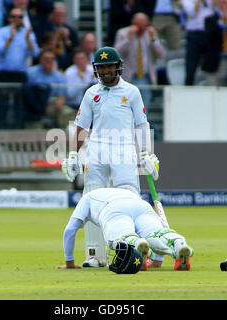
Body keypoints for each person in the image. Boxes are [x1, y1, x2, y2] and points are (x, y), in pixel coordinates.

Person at [61, 46, 160, 267]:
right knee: (93, 200)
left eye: (109, 66)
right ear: (96, 70)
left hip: (124, 149)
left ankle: (134, 251)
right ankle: (95, 255)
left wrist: (146, 153)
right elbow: (81, 126)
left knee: (128, 197)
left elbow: (141, 124)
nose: (105, 71)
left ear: (118, 67)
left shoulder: (132, 91)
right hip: (97, 149)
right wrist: (73, 154)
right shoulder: (91, 93)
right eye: (101, 67)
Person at [58, 188, 194, 271]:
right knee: (157, 234)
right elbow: (161, 228)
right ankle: (178, 244)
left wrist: (69, 262)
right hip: (141, 205)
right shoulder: (126, 192)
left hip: (113, 208)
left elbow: (70, 230)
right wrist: (157, 262)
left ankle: (136, 245)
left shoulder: (86, 198)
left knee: (121, 237)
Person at [0, 7, 40, 129]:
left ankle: (19, 129)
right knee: (2, 103)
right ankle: (0, 129)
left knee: (19, 104)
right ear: (9, 18)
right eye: (14, 16)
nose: (17, 19)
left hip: (20, 73)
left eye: (20, 17)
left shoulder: (28, 33)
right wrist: (10, 37)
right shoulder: (2, 32)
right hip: (4, 73)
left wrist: (28, 39)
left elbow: (34, 53)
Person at [114, 12, 165, 105]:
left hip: (146, 78)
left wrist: (154, 39)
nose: (140, 29)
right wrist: (128, 38)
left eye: (143, 26)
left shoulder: (150, 34)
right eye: (138, 25)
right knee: (127, 106)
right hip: (129, 77)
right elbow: (117, 54)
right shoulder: (122, 33)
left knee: (143, 108)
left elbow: (161, 55)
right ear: (133, 23)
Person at [23, 48, 74, 128]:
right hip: (34, 104)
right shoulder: (31, 73)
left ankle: (66, 135)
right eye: (46, 58)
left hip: (51, 105)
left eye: (51, 59)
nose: (48, 61)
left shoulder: (59, 76)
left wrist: (58, 103)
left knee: (67, 112)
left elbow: (61, 97)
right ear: (40, 60)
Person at [181, 0, 215, 85]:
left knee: (210, 66)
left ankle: (209, 86)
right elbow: (191, 12)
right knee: (191, 67)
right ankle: (188, 89)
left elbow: (215, 9)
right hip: (194, 33)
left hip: (210, 32)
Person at [44, 2, 79, 70]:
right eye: (59, 14)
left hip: (68, 66)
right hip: (51, 65)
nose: (61, 17)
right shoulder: (45, 29)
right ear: (52, 15)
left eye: (63, 14)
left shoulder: (71, 31)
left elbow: (76, 50)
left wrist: (67, 40)